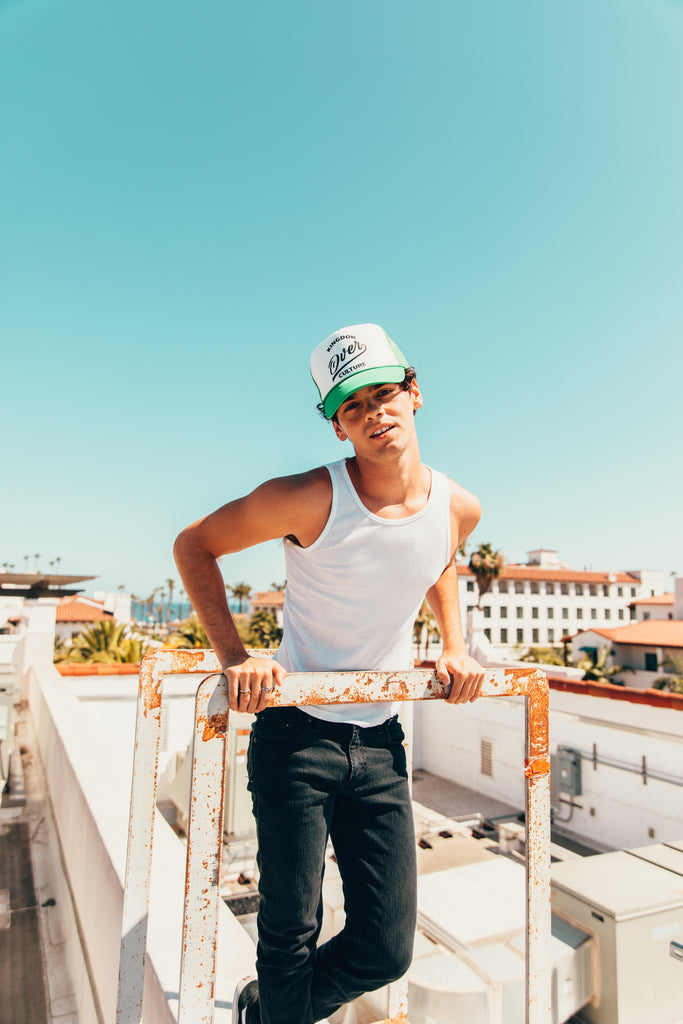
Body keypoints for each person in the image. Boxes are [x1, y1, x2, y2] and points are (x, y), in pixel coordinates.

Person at [173, 323, 485, 1024]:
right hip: (295, 736)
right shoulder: (309, 497)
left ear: (415, 395)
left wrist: (454, 644)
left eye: (384, 395)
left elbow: (438, 556)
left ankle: (269, 1010)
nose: (374, 414)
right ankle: (276, 1007)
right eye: (352, 407)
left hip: (379, 741)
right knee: (289, 931)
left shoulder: (458, 507)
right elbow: (194, 545)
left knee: (384, 948)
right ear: (339, 427)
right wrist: (234, 657)